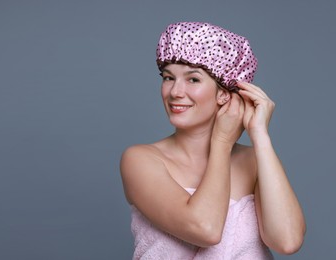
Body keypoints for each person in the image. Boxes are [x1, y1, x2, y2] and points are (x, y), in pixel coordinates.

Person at [120, 22, 306, 260]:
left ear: (224, 93)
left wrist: (260, 135)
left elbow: (287, 241)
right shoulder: (141, 160)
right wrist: (222, 142)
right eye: (168, 78)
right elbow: (205, 228)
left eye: (193, 80)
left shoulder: (254, 161)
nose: (175, 91)